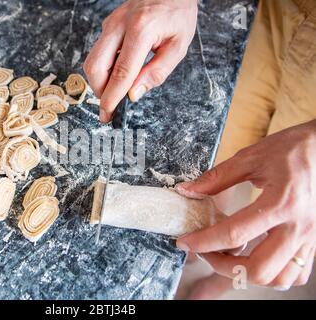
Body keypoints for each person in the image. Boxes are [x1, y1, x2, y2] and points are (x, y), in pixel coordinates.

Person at [83, 0, 316, 299]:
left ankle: (231, 276)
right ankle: (197, 229)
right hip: (276, 10)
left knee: (281, 209)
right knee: (224, 155)